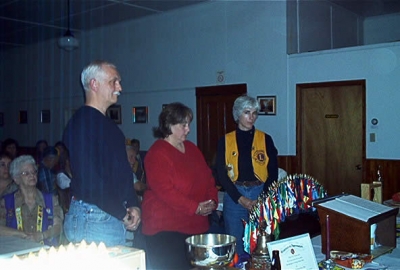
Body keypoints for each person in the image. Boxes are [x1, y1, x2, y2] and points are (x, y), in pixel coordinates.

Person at [62, 60, 141, 247]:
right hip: (94, 217)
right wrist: (122, 213)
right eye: (113, 81)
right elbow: (90, 180)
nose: (119, 87)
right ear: (94, 84)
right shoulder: (81, 124)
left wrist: (133, 203)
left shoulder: (106, 125)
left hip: (107, 214)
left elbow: (121, 172)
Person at [142, 102, 219, 270]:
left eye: (188, 124)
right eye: (183, 125)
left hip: (195, 226)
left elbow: (208, 178)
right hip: (166, 229)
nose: (188, 129)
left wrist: (212, 200)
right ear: (169, 125)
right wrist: (195, 207)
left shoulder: (192, 148)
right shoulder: (157, 153)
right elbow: (165, 191)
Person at [216, 95, 278, 256]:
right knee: (235, 241)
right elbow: (221, 174)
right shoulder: (225, 140)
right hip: (234, 193)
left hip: (260, 191)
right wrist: (240, 198)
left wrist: (263, 196)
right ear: (237, 114)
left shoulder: (265, 139)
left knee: (261, 241)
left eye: (255, 113)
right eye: (247, 112)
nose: (252, 117)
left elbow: (273, 172)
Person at [0, 155, 63, 246]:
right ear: (16, 179)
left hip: (45, 252)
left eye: (34, 172)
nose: (32, 175)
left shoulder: (50, 199)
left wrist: (42, 235)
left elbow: (58, 227)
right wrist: (22, 234)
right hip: (16, 253)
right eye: (26, 173)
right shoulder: (6, 202)